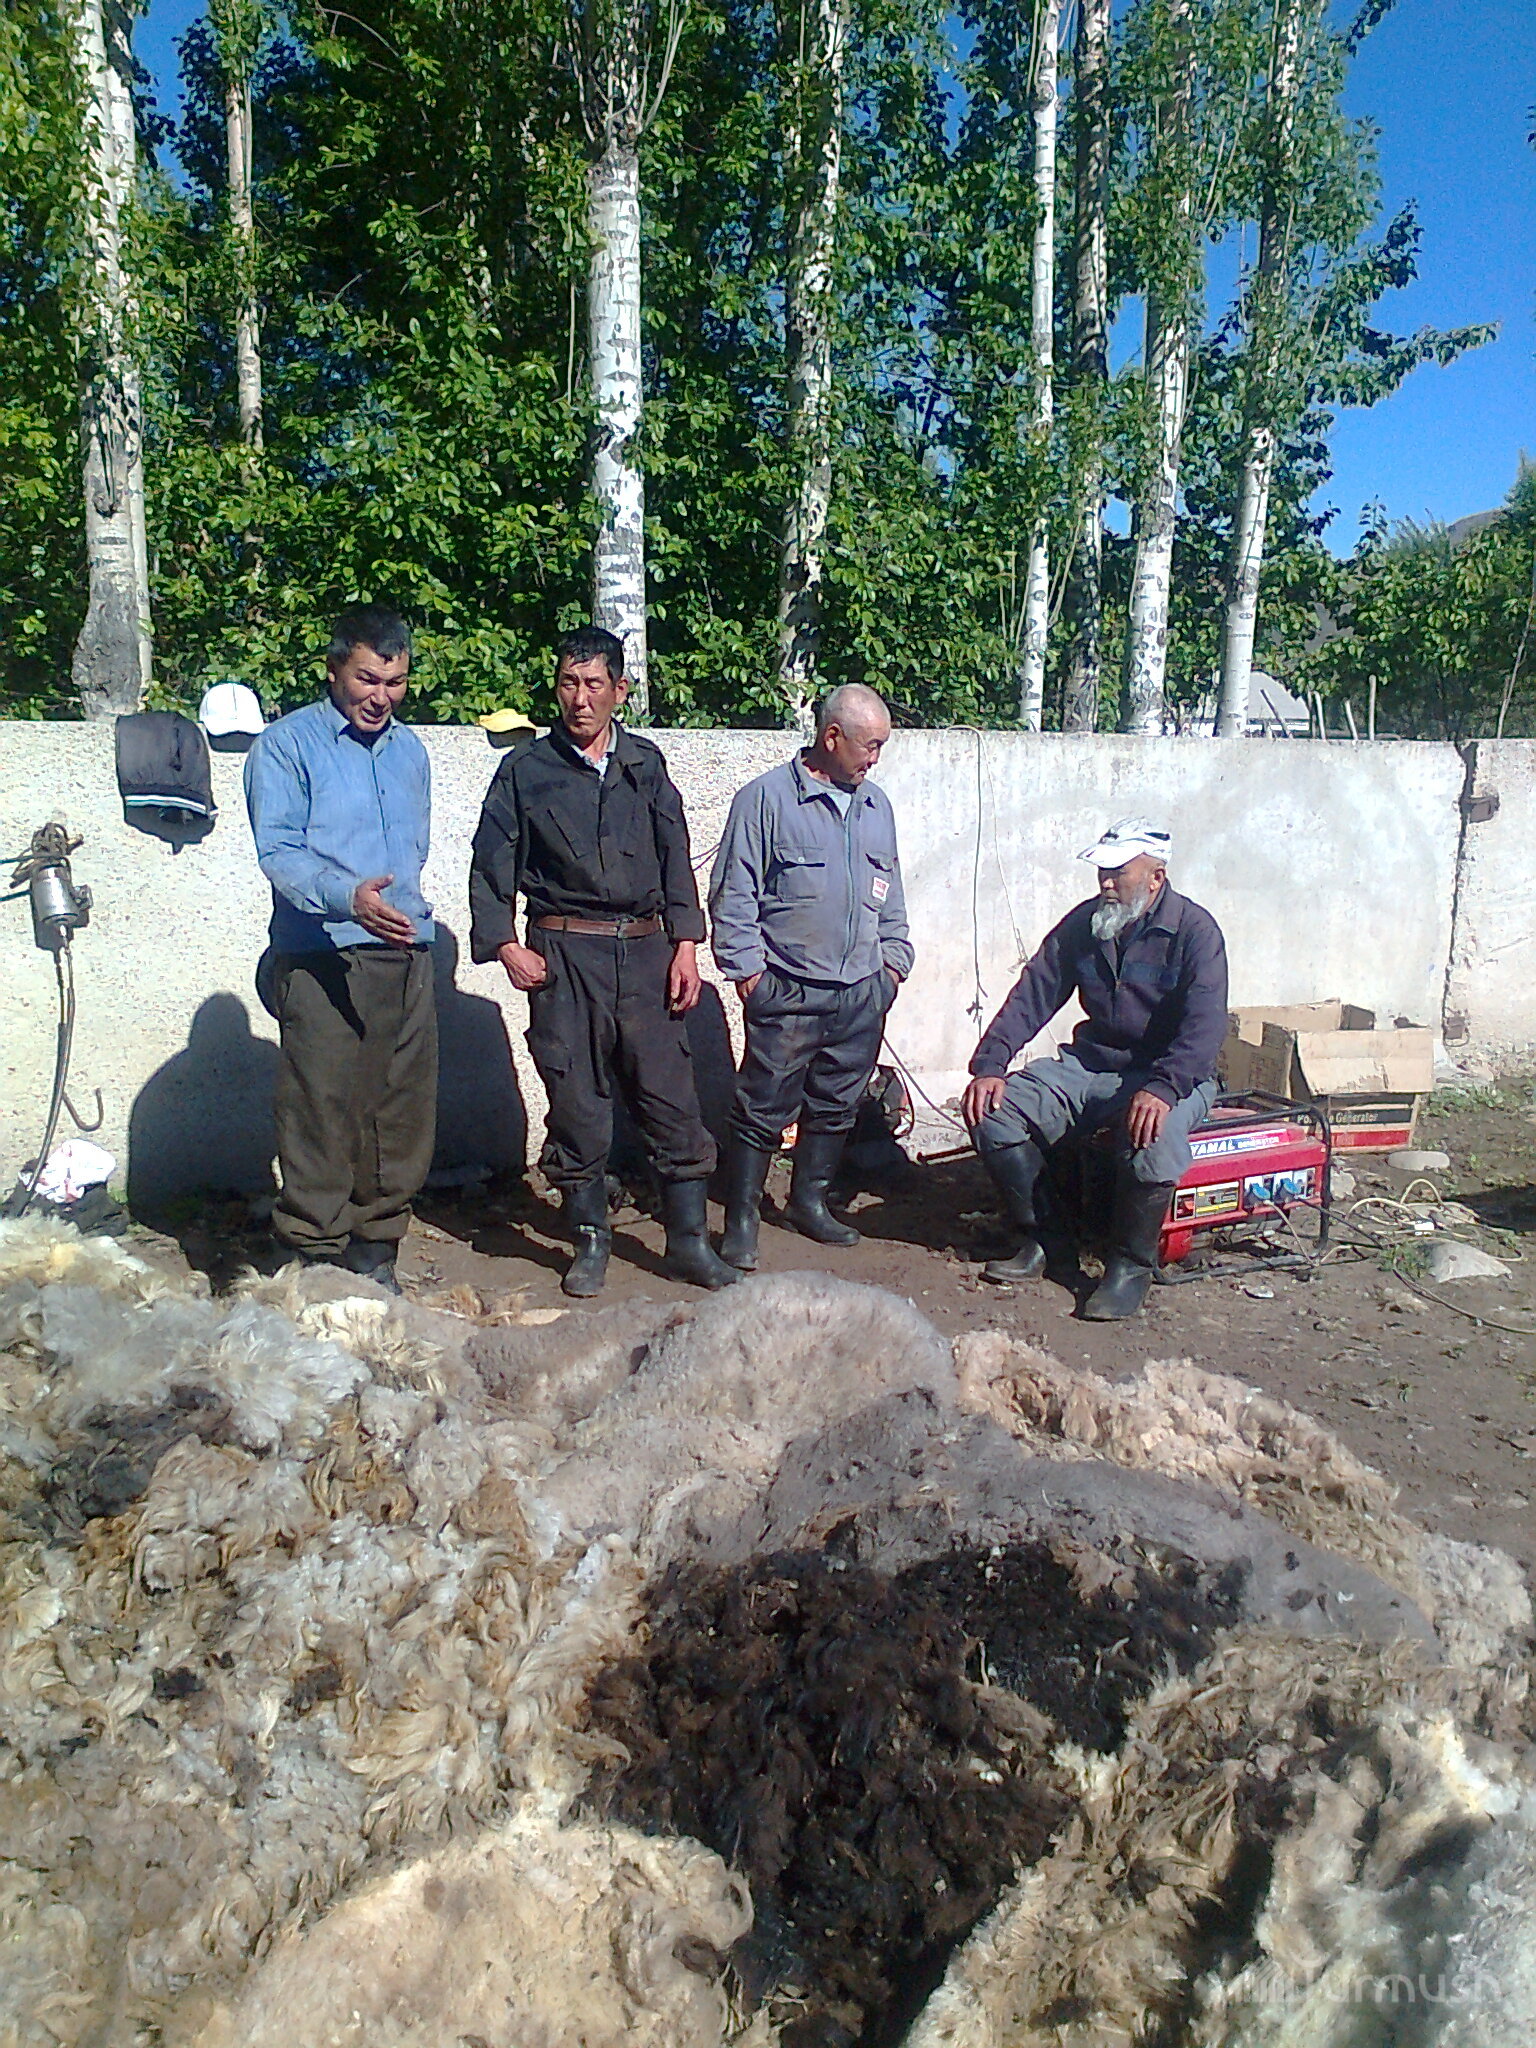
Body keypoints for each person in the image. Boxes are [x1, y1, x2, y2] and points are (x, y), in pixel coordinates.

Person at [468, 625, 738, 1297]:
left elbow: (675, 855)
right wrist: (506, 945)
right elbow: (491, 863)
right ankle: (590, 1240)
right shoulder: (526, 770)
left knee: (671, 1097)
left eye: (594, 685)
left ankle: (688, 1243)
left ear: (620, 690)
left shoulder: (644, 764)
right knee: (577, 1101)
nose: (579, 699)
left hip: (646, 954)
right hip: (565, 957)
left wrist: (685, 945)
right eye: (568, 683)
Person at [960, 818, 1227, 1321]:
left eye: (1118, 872)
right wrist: (991, 1063)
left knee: (1153, 1136)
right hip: (1092, 1065)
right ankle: (1046, 1241)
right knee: (993, 1111)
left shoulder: (1195, 932)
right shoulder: (1086, 924)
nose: (1106, 882)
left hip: (1169, 1076)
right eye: (1102, 871)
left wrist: (1164, 1087)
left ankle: (1129, 1267)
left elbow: (1205, 1027)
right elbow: (1034, 993)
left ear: (1156, 877)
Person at [243, 605, 435, 1293]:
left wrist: (403, 920)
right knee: (321, 1111)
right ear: (333, 671)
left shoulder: (410, 752)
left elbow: (413, 851)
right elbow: (279, 852)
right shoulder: (286, 747)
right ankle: (315, 1263)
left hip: (405, 954)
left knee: (398, 1112)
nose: (381, 697)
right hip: (323, 954)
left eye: (395, 682)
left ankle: (376, 1251)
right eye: (367, 679)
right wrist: (349, 898)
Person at [708, 683, 914, 1269]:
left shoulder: (876, 807)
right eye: (870, 745)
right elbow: (734, 893)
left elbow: (891, 893)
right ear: (832, 737)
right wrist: (750, 975)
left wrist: (893, 965)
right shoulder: (765, 800)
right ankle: (742, 1219)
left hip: (861, 991)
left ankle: (809, 1203)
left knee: (836, 1103)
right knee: (762, 1106)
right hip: (789, 990)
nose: (876, 759)